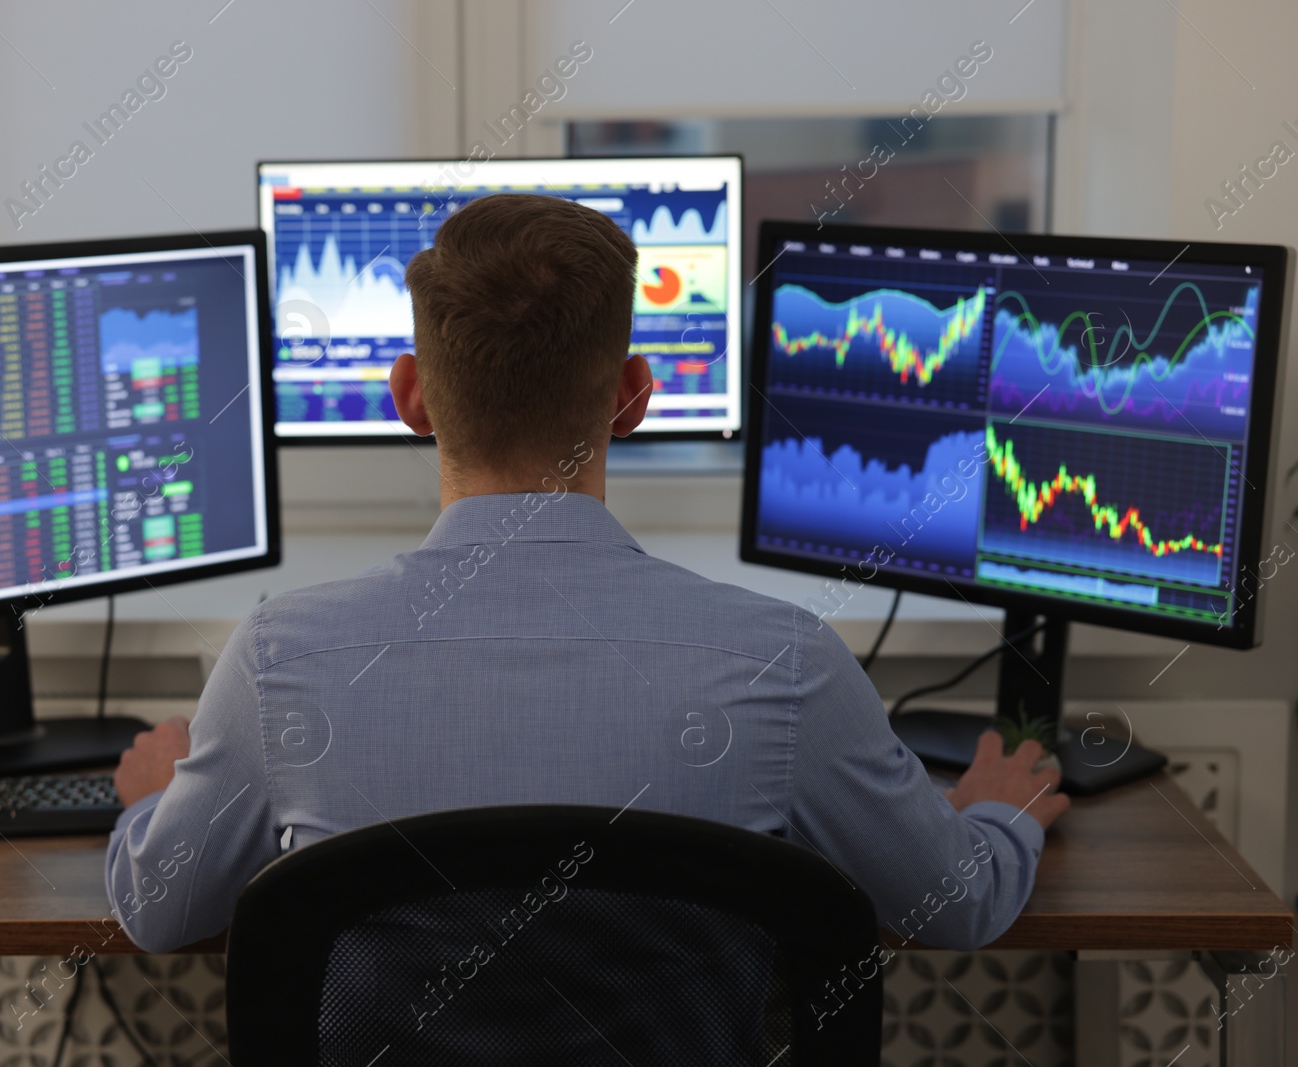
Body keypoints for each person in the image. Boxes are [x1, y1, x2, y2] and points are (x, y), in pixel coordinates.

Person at [105, 193, 1069, 954]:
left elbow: (160, 912)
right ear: (632, 398)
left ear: (409, 396)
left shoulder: (278, 660)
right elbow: (957, 906)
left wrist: (154, 801)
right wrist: (998, 811)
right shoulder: (787, 662)